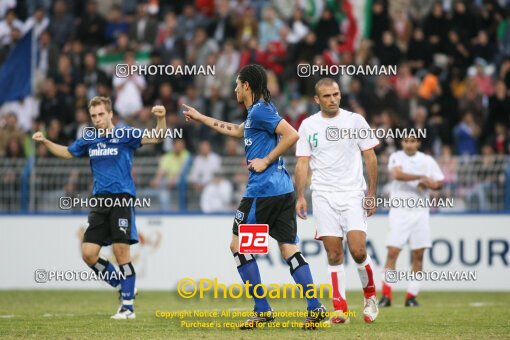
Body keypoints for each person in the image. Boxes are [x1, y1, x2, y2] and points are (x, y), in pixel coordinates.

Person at [183, 64, 327, 329]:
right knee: (289, 248)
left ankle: (262, 309)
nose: (234, 89)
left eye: (237, 84)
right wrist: (202, 117)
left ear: (246, 85)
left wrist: (266, 159)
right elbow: (236, 131)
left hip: (262, 191)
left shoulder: (260, 111)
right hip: (282, 191)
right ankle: (315, 307)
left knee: (238, 247)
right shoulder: (254, 115)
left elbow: (292, 134)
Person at [32, 96, 166, 319]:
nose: (97, 119)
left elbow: (157, 137)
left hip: (122, 198)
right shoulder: (89, 139)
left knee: (121, 251)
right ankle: (123, 286)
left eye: (101, 114)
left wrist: (160, 119)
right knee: (88, 254)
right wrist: (45, 141)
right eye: (93, 116)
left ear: (111, 114)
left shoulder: (125, 134)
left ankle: (128, 307)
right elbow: (67, 152)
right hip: (99, 201)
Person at [295, 78, 380, 324]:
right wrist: (300, 196)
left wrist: (371, 194)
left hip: (353, 194)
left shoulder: (355, 120)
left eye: (336, 94)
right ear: (316, 100)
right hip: (322, 194)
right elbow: (302, 162)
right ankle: (339, 308)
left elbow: (370, 158)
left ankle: (370, 296)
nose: (333, 99)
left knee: (358, 250)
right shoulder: (308, 125)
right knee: (333, 253)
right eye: (327, 96)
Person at [379, 136, 444, 307]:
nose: (409, 144)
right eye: (406, 141)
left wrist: (431, 184)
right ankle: (386, 296)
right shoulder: (396, 157)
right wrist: (421, 177)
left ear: (418, 143)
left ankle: (411, 296)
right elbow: (397, 174)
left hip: (420, 212)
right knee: (393, 252)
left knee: (419, 254)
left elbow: (439, 183)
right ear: (402, 143)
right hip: (400, 212)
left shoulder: (427, 160)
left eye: (413, 141)